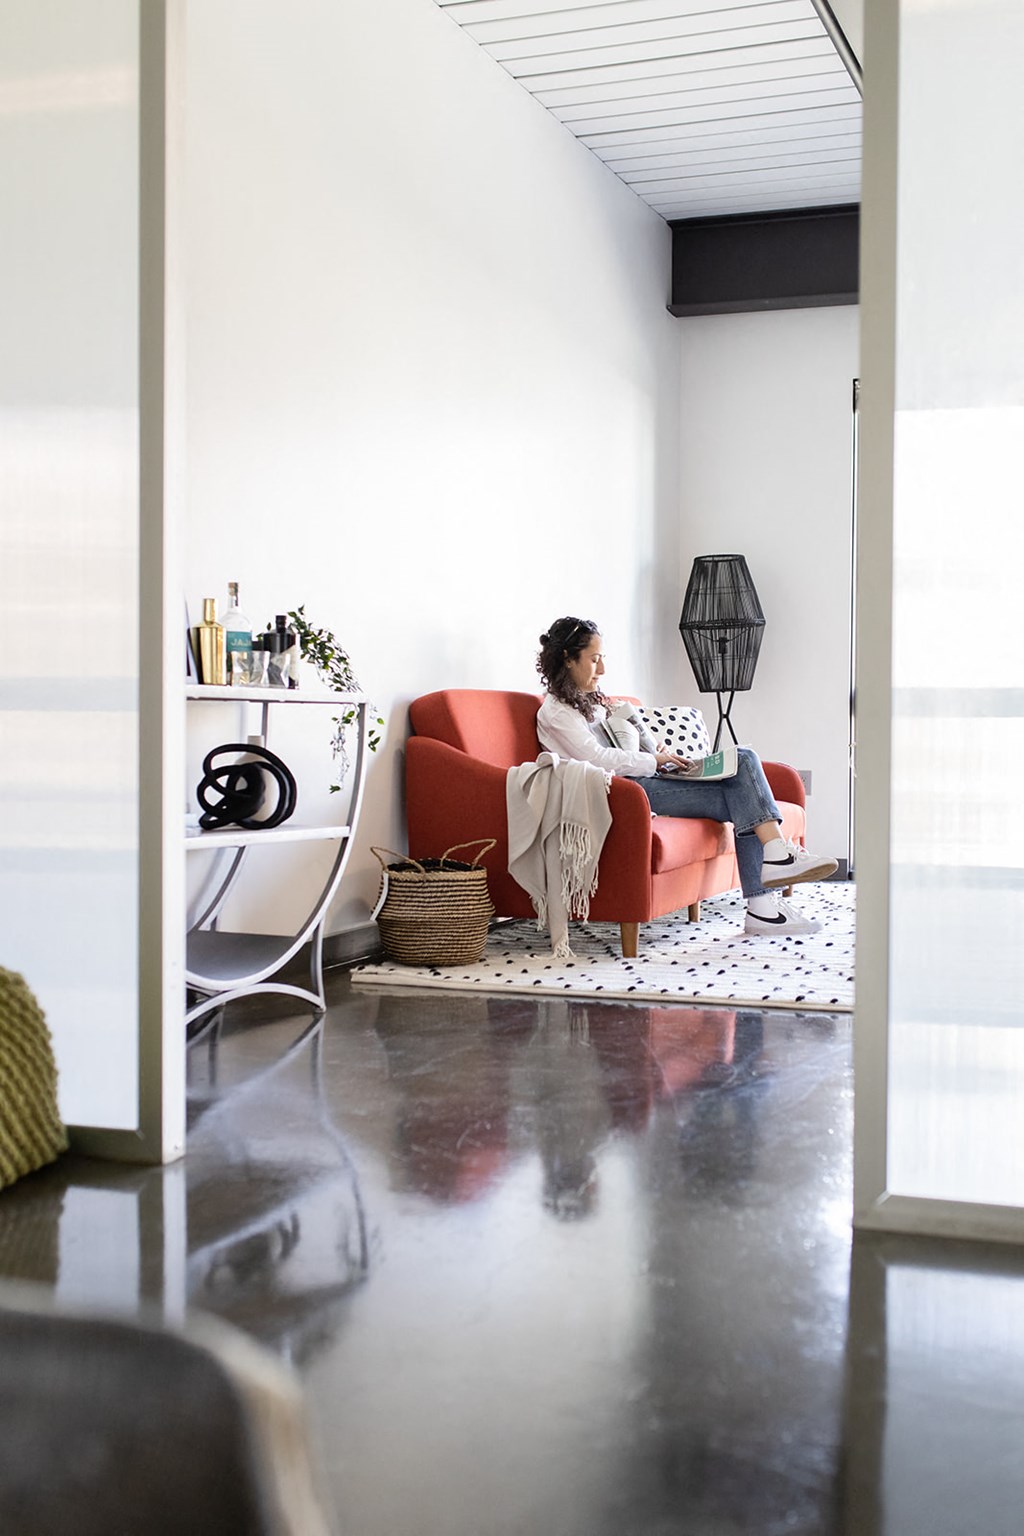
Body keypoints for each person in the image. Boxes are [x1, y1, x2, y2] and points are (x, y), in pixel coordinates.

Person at [535, 616, 837, 936]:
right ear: (568, 659)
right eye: (594, 660)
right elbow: (598, 760)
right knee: (745, 789)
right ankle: (766, 892)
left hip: (645, 778)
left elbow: (622, 744)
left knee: (743, 765)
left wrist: (664, 755)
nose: (602, 670)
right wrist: (654, 760)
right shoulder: (556, 713)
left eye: (602, 659)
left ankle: (768, 889)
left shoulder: (591, 703)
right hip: (624, 792)